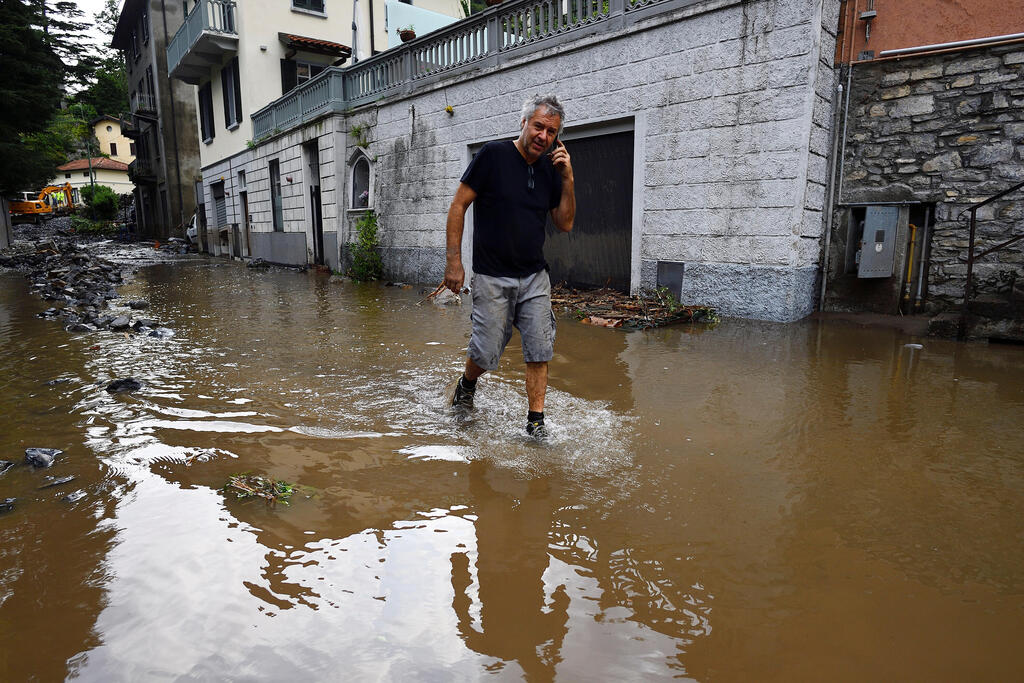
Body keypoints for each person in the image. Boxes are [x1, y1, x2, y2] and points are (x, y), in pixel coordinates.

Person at [444, 94, 576, 436]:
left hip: (534, 277)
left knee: (539, 349)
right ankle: (467, 384)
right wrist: (454, 263)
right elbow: (458, 205)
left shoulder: (551, 170)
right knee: (486, 352)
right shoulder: (493, 156)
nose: (543, 137)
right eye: (538, 127)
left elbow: (564, 223)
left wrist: (568, 179)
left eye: (551, 132)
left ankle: (536, 422)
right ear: (523, 123)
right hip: (491, 277)